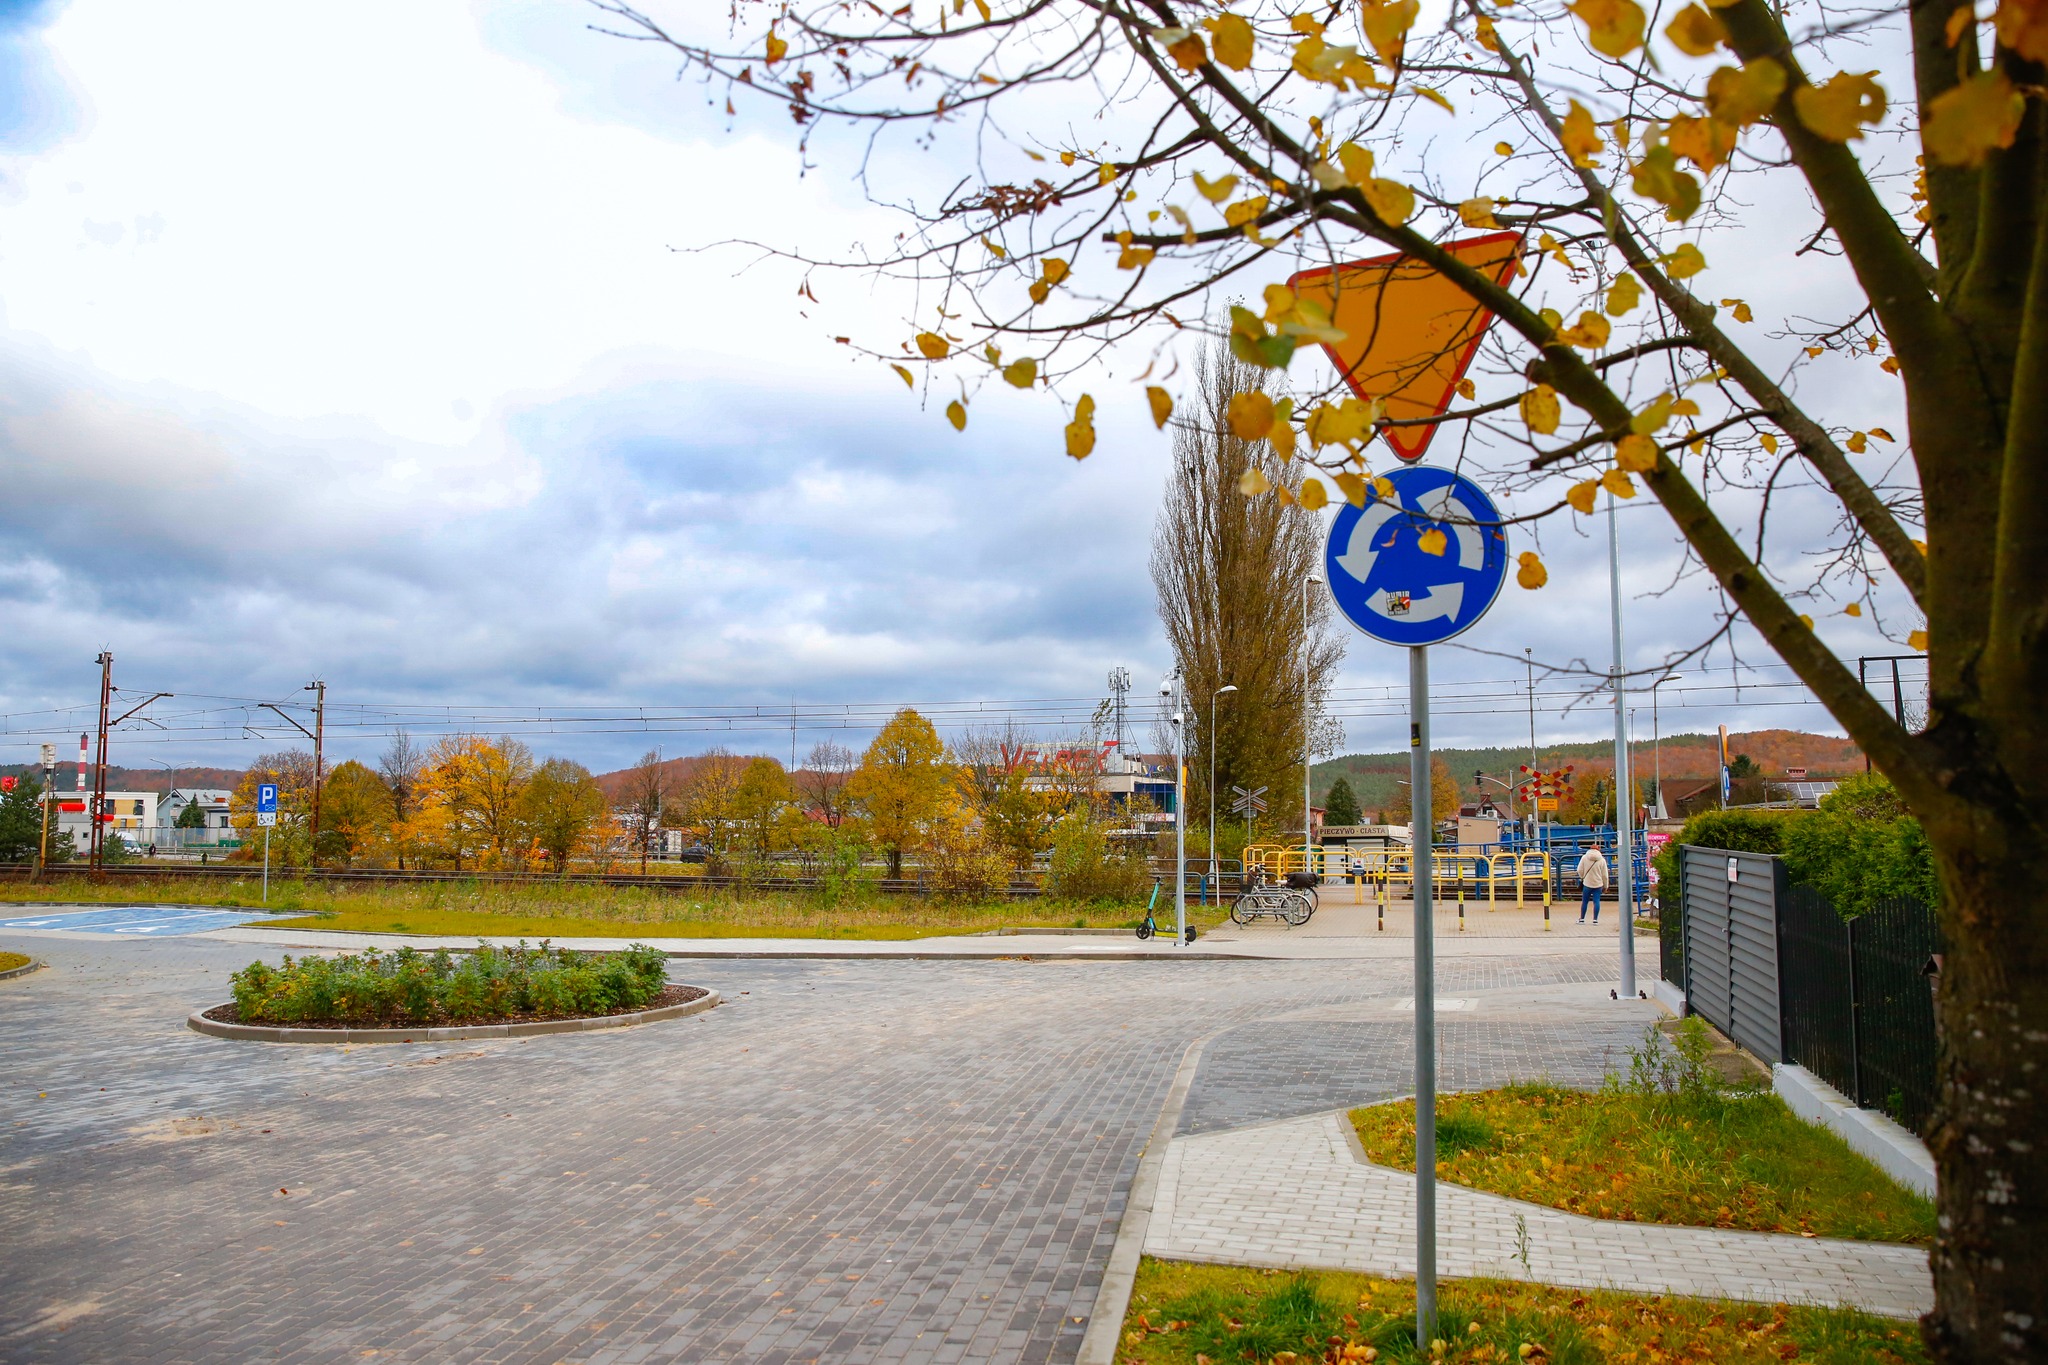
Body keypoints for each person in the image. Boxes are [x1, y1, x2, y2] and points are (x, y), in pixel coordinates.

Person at [1576, 845, 1609, 923]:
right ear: (1598, 850)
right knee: (1596, 901)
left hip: (1587, 883)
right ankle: (1595, 920)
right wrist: (1606, 886)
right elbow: (1605, 875)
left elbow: (1579, 870)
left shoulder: (1584, 857)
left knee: (1585, 901)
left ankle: (1582, 919)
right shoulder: (1602, 860)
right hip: (1598, 884)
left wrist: (1583, 877)